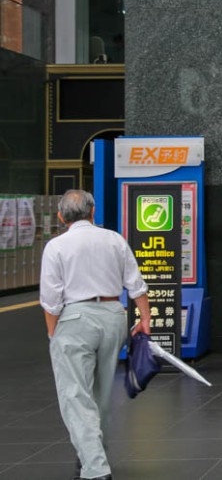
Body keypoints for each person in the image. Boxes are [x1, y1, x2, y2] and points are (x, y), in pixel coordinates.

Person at [39, 190, 151, 480]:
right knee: (101, 394)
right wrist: (145, 321)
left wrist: (54, 334)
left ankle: (96, 468)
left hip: (75, 318)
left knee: (75, 395)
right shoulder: (114, 239)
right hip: (114, 315)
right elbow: (136, 286)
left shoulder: (56, 246)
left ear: (61, 217)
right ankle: (92, 451)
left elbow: (50, 300)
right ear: (92, 212)